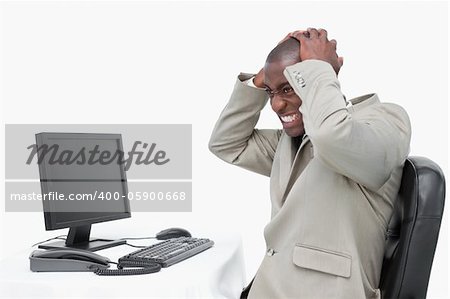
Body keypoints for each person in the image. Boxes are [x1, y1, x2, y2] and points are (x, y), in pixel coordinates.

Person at [208, 28, 411, 299]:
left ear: (321, 75)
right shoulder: (292, 142)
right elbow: (226, 143)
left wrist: (318, 68)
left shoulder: (386, 120)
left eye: (288, 88)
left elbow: (332, 135)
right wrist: (263, 78)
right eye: (271, 92)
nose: (277, 105)